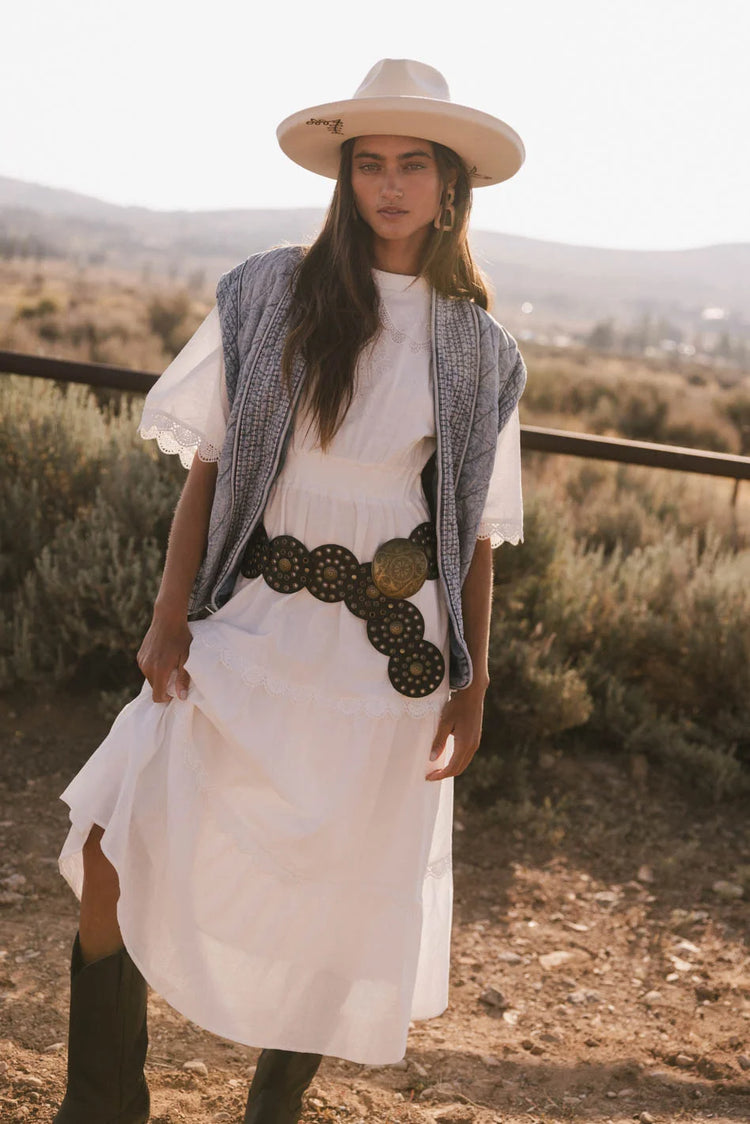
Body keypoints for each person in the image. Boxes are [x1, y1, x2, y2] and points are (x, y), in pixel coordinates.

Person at [52, 58, 527, 1124]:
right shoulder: (271, 291)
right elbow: (210, 474)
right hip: (250, 619)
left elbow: (474, 535)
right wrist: (168, 617)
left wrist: (473, 682)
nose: (391, 185)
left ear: (451, 186)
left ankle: (272, 1112)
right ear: (347, 177)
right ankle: (99, 1108)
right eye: (371, 164)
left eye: (414, 165)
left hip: (387, 656)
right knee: (108, 842)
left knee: (336, 898)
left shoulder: (481, 348)